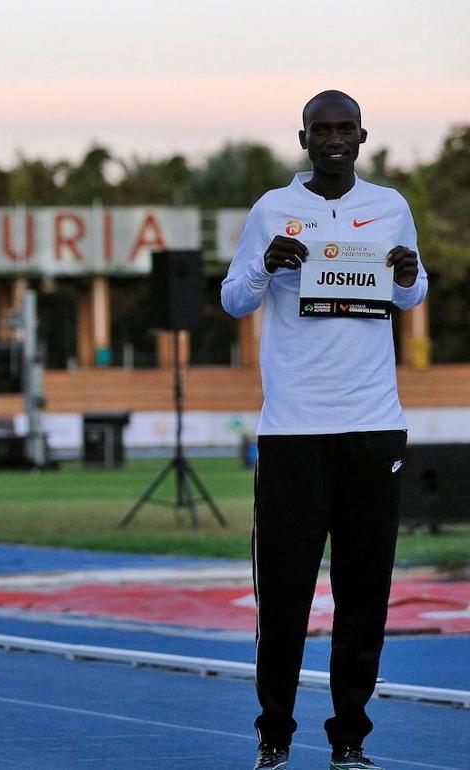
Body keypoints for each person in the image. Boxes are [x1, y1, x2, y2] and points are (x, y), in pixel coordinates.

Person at [222, 90, 425, 770]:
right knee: (284, 596)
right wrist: (264, 265)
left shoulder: (392, 206)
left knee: (364, 596)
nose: (334, 139)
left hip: (373, 427)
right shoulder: (272, 210)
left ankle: (349, 740)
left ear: (362, 136)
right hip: (293, 432)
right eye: (321, 129)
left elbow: (409, 290)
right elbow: (233, 299)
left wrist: (407, 274)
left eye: (345, 129)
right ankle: (274, 735)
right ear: (303, 138)